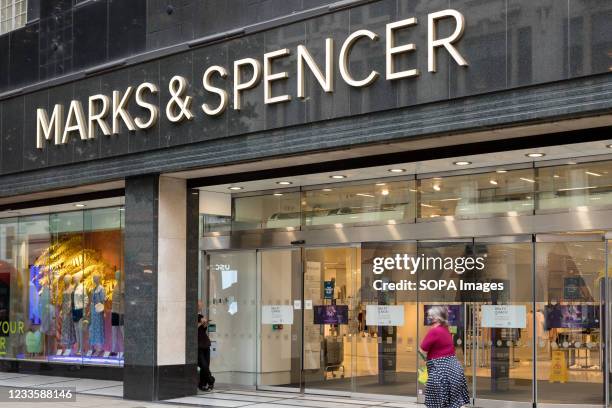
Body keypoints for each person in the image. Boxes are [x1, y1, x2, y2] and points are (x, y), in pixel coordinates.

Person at [420, 306, 470, 408]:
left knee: (436, 403)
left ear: (437, 318)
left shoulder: (434, 331)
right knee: (453, 403)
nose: (428, 317)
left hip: (440, 372)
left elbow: (423, 348)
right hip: (454, 371)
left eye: (430, 315)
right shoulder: (445, 329)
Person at [198, 314, 215, 391]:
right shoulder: (191, 318)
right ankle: (211, 380)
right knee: (204, 366)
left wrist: (205, 323)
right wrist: (200, 323)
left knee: (206, 366)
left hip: (206, 345)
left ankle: (202, 384)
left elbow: (204, 327)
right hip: (198, 347)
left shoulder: (201, 317)